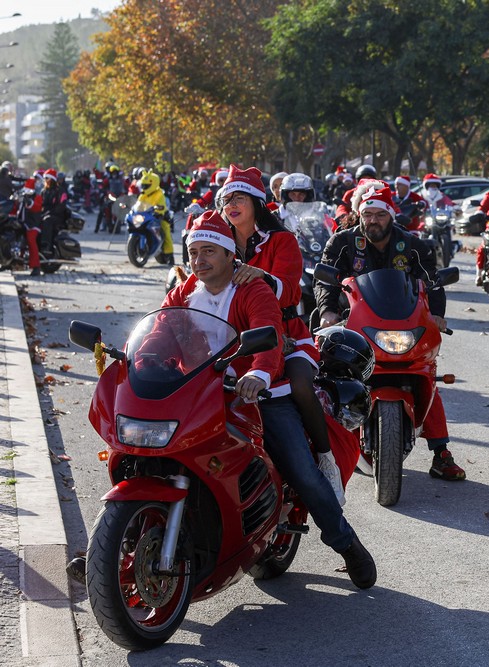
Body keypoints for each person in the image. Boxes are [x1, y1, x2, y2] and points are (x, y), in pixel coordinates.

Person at [67, 212, 376, 589]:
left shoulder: (251, 289)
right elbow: (161, 332)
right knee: (142, 452)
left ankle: (346, 544)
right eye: (194, 252)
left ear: (230, 254)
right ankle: (115, 545)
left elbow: (270, 335)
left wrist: (260, 372)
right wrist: (140, 361)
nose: (199, 260)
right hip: (199, 391)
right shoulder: (184, 291)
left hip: (257, 393)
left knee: (303, 473)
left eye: (209, 251)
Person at [314, 183, 466, 482]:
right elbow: (325, 280)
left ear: (390, 216)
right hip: (352, 324)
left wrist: (437, 315)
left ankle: (441, 453)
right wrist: (327, 311)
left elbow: (432, 281)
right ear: (360, 215)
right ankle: (320, 448)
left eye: (379, 215)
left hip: (401, 325)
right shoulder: (343, 242)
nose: (373, 220)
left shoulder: (413, 245)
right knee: (323, 377)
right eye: (367, 214)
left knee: (425, 372)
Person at [216, 165, 348, 502]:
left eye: (239, 198)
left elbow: (290, 291)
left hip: (286, 333)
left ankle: (325, 457)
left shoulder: (283, 240)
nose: (231, 204)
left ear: (258, 203)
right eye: (226, 198)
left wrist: (258, 274)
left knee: (301, 382)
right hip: (230, 339)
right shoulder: (217, 241)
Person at [137, 170, 173, 265]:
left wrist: (159, 211)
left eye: (146, 185)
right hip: (145, 217)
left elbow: (161, 206)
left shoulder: (159, 193)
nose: (144, 187)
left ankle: (169, 254)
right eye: (143, 185)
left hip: (158, 217)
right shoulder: (142, 195)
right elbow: (138, 205)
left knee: (165, 232)